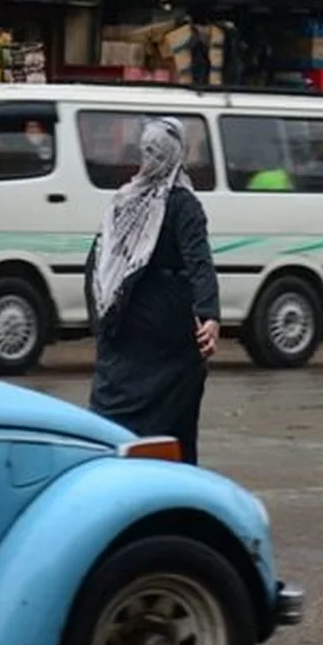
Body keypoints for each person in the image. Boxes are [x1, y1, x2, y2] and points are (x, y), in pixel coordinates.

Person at [84, 118, 220, 466]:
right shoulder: (182, 203)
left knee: (115, 417)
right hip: (166, 331)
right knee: (175, 423)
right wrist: (209, 316)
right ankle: (176, 488)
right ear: (179, 155)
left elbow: (97, 264)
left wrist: (99, 320)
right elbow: (199, 262)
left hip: (124, 322)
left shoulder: (123, 201)